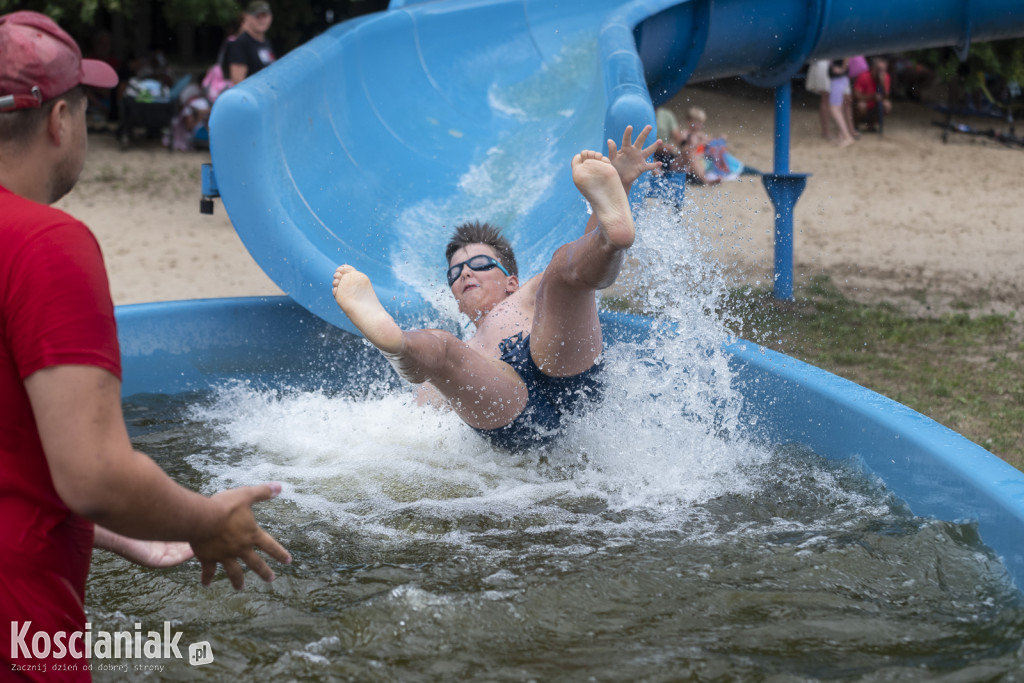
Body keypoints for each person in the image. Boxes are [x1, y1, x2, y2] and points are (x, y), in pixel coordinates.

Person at [0, 10, 291, 679]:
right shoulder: (47, 245)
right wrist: (205, 518)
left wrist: (112, 525)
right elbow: (94, 472)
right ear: (59, 122)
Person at [332, 126, 661, 451]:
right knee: (443, 348)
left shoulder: (528, 293)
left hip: (565, 364)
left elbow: (579, 271)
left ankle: (613, 240)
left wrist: (622, 184)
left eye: (479, 264)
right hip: (505, 405)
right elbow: (421, 435)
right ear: (457, 303)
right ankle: (397, 344)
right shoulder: (468, 351)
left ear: (510, 281)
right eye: (456, 272)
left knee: (561, 269)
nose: (465, 274)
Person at [223, 1, 276, 85]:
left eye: (264, 16)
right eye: (257, 16)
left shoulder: (266, 42)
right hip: (254, 97)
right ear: (247, 17)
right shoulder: (240, 43)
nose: (262, 20)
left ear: (270, 17)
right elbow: (238, 83)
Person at [853, 56, 892, 130]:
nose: (882, 73)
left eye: (884, 70)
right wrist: (871, 97)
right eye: (880, 70)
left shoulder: (886, 77)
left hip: (875, 106)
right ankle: (856, 125)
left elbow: (886, 96)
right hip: (865, 105)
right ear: (873, 68)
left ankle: (871, 125)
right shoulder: (863, 76)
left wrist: (882, 84)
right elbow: (856, 95)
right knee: (861, 105)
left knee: (887, 105)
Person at [827, 58, 857, 147]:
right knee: (838, 109)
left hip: (838, 79)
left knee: (834, 108)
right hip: (839, 78)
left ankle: (847, 136)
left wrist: (842, 69)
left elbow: (846, 56)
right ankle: (842, 136)